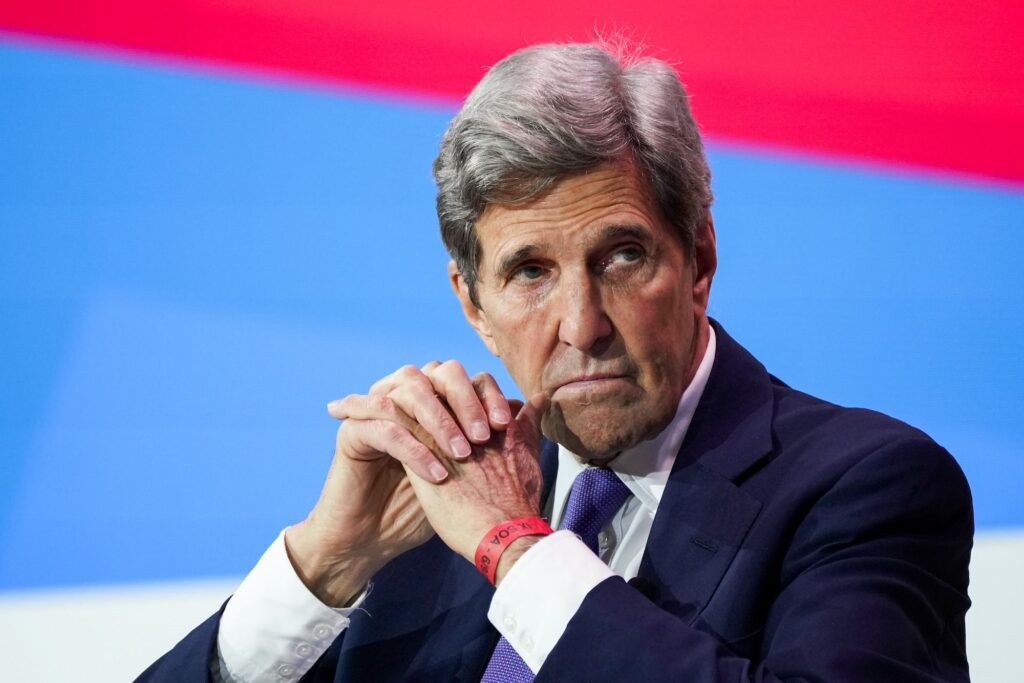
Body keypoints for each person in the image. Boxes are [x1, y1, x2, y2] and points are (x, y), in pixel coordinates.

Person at [140, 42, 973, 682]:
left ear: (699, 259)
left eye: (622, 257)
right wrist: (326, 563)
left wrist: (516, 548)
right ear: (473, 304)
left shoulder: (869, 488)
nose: (582, 325)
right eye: (530, 272)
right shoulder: (428, 517)